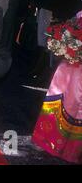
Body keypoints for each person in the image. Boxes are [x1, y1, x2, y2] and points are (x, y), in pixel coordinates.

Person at [31, 10, 82, 164]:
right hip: (70, 68)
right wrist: (64, 44)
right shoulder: (80, 15)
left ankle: (73, 151)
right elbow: (69, 28)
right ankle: (53, 143)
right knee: (63, 99)